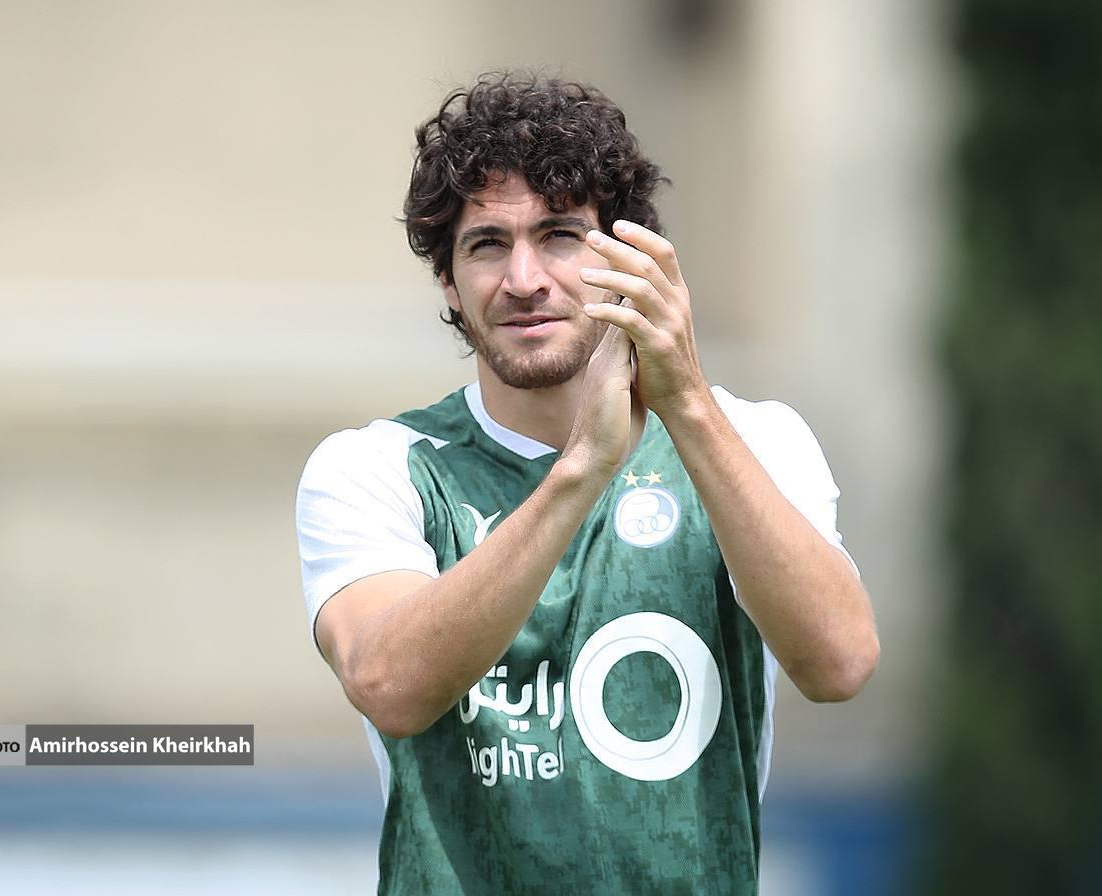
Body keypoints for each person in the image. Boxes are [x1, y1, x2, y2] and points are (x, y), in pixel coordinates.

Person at [295, 71, 878, 894]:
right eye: (486, 244)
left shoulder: (755, 440)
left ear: (628, 260)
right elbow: (389, 686)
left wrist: (686, 406)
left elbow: (840, 662)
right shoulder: (380, 466)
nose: (524, 279)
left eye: (560, 235)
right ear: (447, 281)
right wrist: (582, 468)